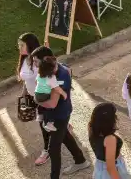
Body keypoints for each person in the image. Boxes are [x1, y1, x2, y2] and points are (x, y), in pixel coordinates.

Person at [32, 47, 90, 177]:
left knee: (53, 149)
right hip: (55, 114)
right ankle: (80, 160)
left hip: (59, 116)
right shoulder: (52, 68)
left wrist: (36, 100)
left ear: (45, 60)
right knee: (65, 137)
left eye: (36, 61)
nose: (34, 64)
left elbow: (52, 103)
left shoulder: (59, 75)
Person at [18, 33, 54, 166]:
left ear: (30, 45)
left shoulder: (38, 60)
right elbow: (26, 79)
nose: (19, 47)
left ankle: (47, 151)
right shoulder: (24, 59)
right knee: (48, 123)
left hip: (44, 97)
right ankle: (63, 126)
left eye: (22, 45)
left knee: (43, 125)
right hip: (34, 97)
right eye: (19, 45)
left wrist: (47, 58)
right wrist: (24, 93)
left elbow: (51, 73)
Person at [88, 102, 131, 179]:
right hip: (113, 170)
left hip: (99, 166)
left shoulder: (90, 127)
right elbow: (110, 167)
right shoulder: (110, 139)